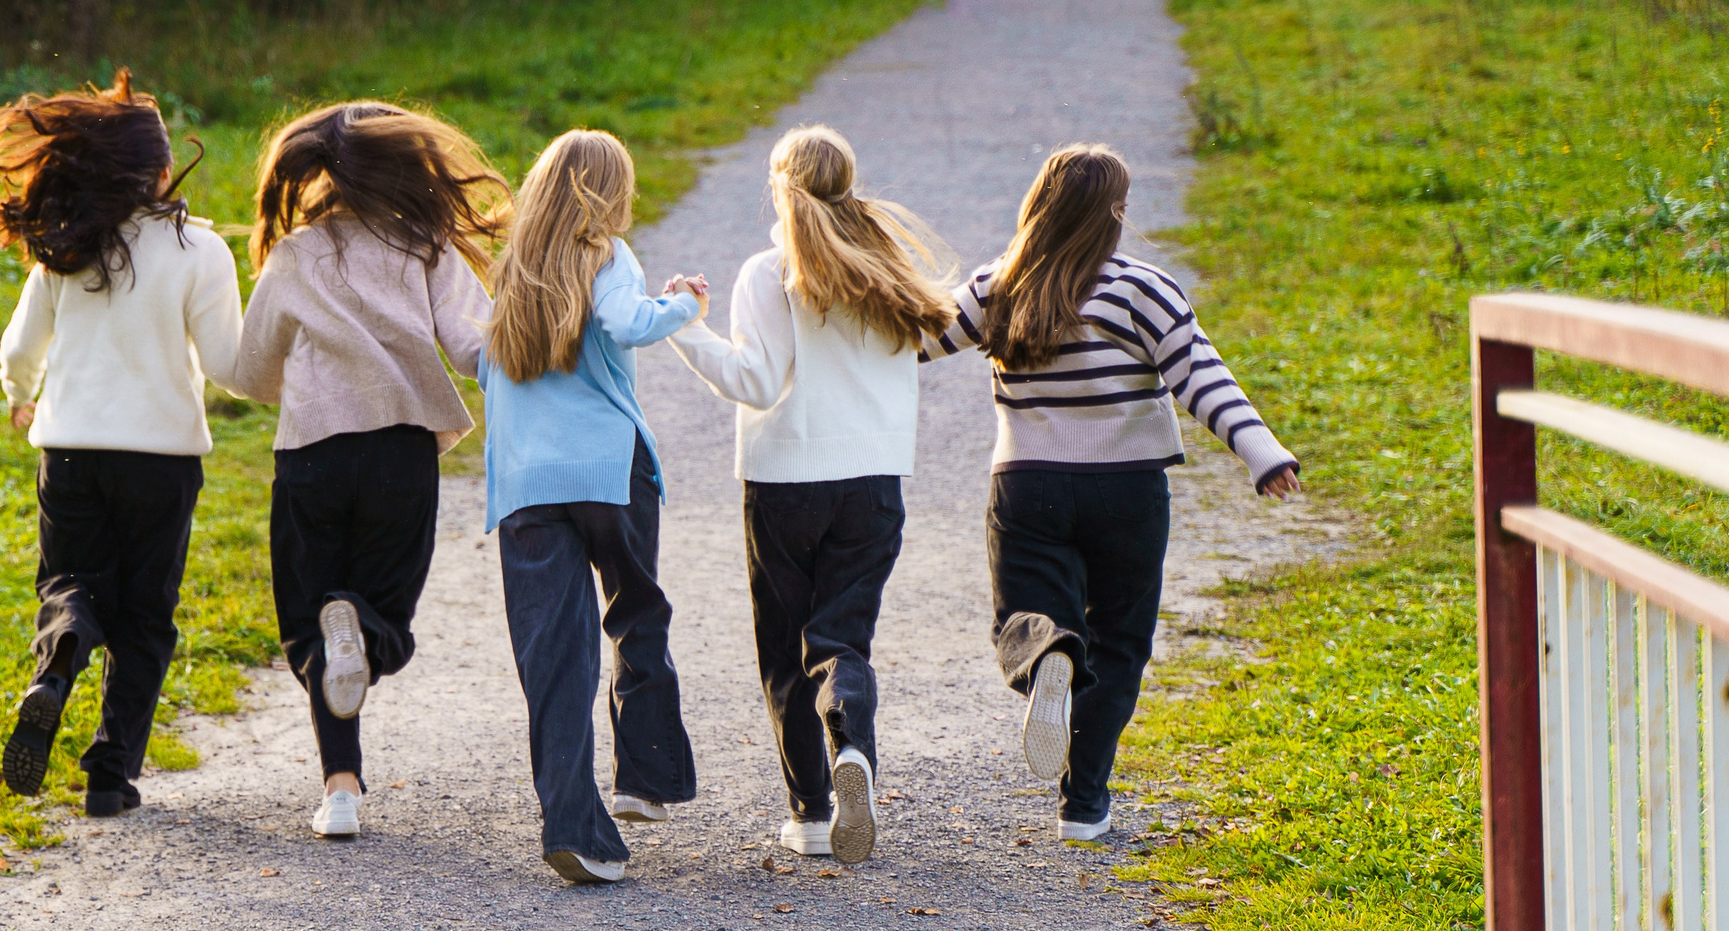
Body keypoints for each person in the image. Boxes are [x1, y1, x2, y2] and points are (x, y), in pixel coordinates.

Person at [926, 143, 1299, 841]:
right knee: (1121, 642)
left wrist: (841, 278)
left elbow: (908, 339)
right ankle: (1084, 803)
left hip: (1028, 483)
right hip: (1127, 490)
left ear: (1037, 206)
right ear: (1115, 214)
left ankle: (1048, 661)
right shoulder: (1144, 288)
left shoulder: (999, 284)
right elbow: (1201, 377)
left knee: (1029, 616)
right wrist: (1261, 452)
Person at [668, 125, 955, 865]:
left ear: (777, 187)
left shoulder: (769, 272)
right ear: (848, 182)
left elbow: (758, 383)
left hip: (784, 482)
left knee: (784, 651)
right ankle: (851, 744)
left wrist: (688, 332)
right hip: (873, 483)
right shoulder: (888, 265)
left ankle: (812, 813)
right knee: (840, 640)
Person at [233, 101, 511, 840]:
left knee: (311, 631)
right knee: (378, 615)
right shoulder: (426, 245)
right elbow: (478, 348)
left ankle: (341, 791)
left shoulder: (296, 253)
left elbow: (251, 369)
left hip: (313, 455)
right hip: (401, 450)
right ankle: (364, 635)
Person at [0, 70, 243, 818]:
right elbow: (228, 364)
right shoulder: (201, 250)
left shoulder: (66, 246)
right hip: (162, 459)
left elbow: (20, 344)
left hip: (69, 450)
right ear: (164, 173)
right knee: (145, 619)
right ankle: (109, 772)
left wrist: (20, 396)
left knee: (69, 580)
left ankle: (62, 643)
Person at [480, 130, 704, 885]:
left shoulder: (512, 270)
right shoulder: (606, 251)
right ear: (609, 193)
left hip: (527, 483)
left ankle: (574, 826)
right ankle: (643, 778)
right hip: (609, 468)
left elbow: (486, 362)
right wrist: (682, 303)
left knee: (553, 653)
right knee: (636, 608)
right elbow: (626, 322)